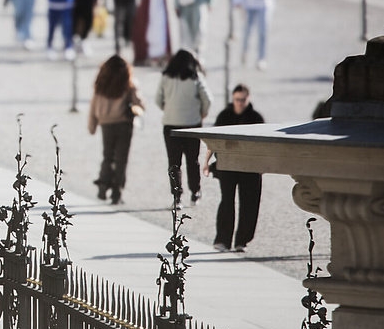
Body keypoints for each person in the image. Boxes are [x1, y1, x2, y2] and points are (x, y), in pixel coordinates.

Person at [205, 84, 265, 252]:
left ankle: (242, 241)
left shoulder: (255, 117)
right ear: (233, 99)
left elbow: (264, 144)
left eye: (243, 100)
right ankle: (223, 240)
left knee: (249, 203)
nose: (239, 103)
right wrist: (206, 162)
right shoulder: (224, 115)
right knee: (226, 201)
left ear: (248, 99)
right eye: (237, 99)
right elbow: (213, 141)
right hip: (227, 165)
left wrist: (264, 165)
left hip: (250, 167)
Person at [156, 50, 212, 208]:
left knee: (174, 162)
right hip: (192, 124)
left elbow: (157, 99)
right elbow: (207, 99)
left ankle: (177, 196)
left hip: (170, 124)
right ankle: (195, 192)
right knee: (192, 160)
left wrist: (168, 110)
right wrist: (202, 113)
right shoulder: (195, 78)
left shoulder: (166, 77)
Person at [88, 55, 144, 205]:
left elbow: (93, 105)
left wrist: (92, 125)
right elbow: (140, 104)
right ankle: (116, 192)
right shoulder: (128, 83)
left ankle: (103, 184)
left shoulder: (100, 84)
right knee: (121, 159)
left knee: (107, 155)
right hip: (123, 123)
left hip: (105, 123)